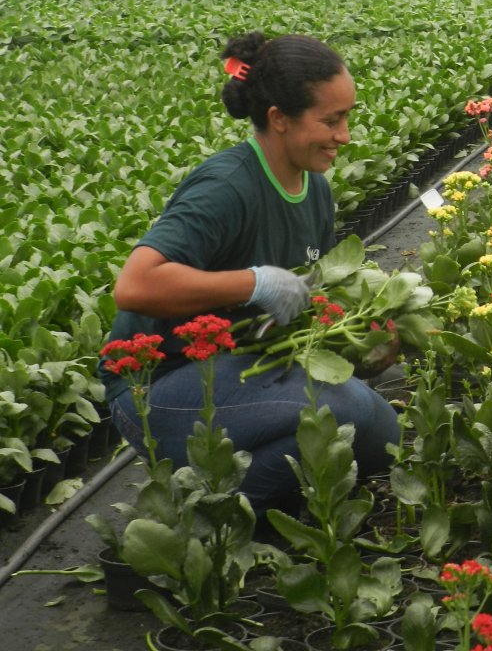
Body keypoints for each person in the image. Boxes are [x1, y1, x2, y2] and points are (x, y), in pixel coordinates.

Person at [100, 31, 400, 514]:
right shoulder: (226, 187)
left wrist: (360, 335)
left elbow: (312, 300)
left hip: (240, 366)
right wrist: (256, 282)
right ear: (279, 119)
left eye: (347, 117)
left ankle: (257, 496)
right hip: (160, 384)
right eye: (331, 120)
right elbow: (134, 286)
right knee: (345, 411)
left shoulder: (315, 189)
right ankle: (206, 524)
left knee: (379, 437)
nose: (344, 136)